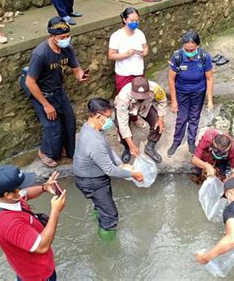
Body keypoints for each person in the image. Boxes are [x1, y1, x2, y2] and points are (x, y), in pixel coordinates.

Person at [73, 98, 144, 241]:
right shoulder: (92, 140)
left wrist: (120, 164)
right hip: (92, 181)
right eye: (108, 116)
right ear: (98, 116)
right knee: (110, 216)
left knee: (101, 205)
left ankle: (99, 215)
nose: (110, 120)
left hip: (90, 178)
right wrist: (133, 173)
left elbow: (108, 150)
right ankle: (108, 248)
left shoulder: (92, 128)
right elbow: (110, 171)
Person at [25, 17, 89, 168]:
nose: (65, 40)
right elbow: (29, 82)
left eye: (68, 36)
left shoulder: (66, 48)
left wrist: (80, 75)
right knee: (54, 128)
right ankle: (45, 152)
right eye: (62, 38)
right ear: (51, 36)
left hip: (58, 90)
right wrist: (46, 105)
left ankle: (67, 150)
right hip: (42, 94)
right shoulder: (40, 54)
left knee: (70, 121)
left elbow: (76, 68)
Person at [0, 165, 66, 280]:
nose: (24, 190)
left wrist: (44, 187)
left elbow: (25, 194)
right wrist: (55, 211)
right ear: (8, 194)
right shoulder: (8, 224)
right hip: (37, 274)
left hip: (23, 265)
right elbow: (42, 247)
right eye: (20, 188)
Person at [167, 30, 214, 157]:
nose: (189, 52)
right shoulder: (177, 56)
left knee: (194, 117)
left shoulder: (204, 57)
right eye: (186, 49)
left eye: (191, 49)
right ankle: (176, 142)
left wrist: (209, 99)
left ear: (197, 46)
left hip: (198, 92)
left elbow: (209, 78)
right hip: (181, 91)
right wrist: (174, 101)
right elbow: (171, 79)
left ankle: (191, 141)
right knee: (182, 118)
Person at [114, 76, 167, 163]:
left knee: (158, 124)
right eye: (138, 96)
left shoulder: (156, 88)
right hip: (127, 109)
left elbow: (162, 101)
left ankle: (150, 147)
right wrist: (132, 146)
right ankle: (127, 148)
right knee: (121, 129)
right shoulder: (123, 97)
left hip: (145, 107)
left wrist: (161, 118)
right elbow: (123, 124)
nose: (141, 98)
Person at [108, 7, 149, 94]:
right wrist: (126, 54)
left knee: (140, 96)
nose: (135, 23)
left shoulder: (140, 33)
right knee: (124, 98)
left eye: (137, 21)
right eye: (132, 20)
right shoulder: (116, 36)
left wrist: (144, 52)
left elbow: (145, 47)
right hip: (124, 73)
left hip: (138, 72)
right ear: (125, 20)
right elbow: (111, 55)